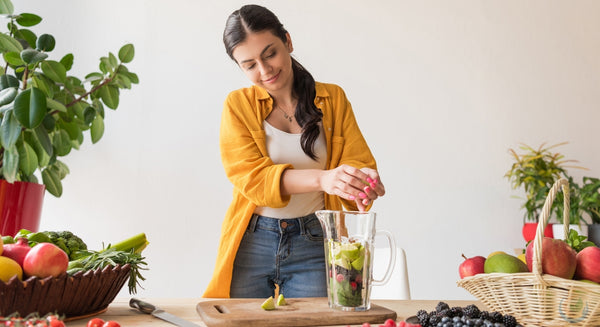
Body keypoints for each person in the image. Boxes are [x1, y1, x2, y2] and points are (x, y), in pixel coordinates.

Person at [203, 4, 385, 299]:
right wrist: (323, 179)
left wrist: (361, 183)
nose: (265, 70)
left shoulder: (333, 99)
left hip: (315, 240)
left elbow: (356, 161)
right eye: (250, 65)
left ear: (287, 41)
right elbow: (252, 179)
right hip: (252, 240)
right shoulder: (237, 106)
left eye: (270, 53)